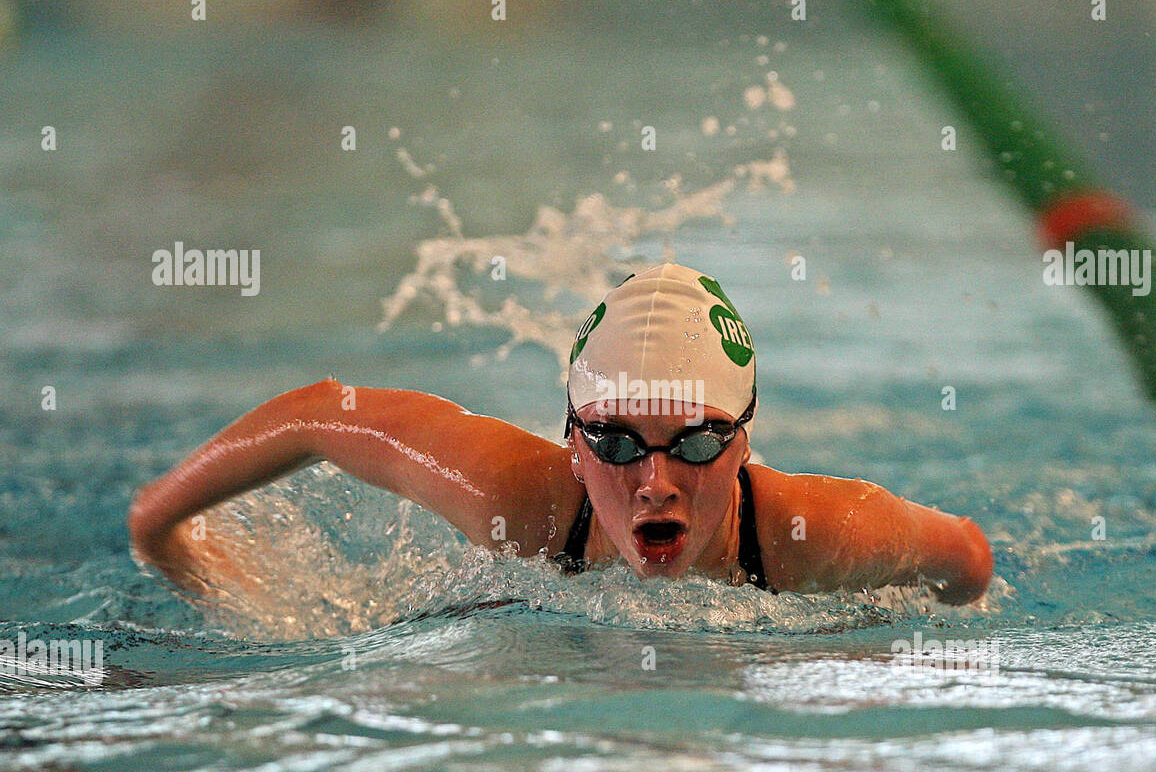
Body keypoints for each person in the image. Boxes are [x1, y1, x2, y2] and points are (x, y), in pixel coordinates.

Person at [128, 264, 993, 604]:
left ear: (745, 444)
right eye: (616, 442)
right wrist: (157, 525)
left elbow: (967, 558)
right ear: (573, 445)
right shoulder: (519, 500)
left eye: (693, 440)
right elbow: (322, 412)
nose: (654, 478)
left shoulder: (815, 536)